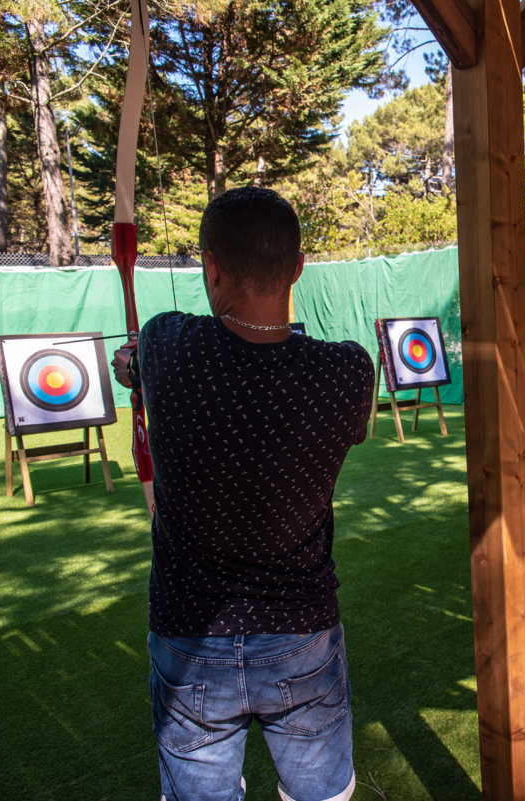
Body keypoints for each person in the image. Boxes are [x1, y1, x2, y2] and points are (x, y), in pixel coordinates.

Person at [112, 187, 374, 801]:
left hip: (191, 638)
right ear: (299, 268)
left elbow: (135, 363)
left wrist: (134, 368)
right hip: (301, 633)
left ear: (211, 268)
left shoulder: (166, 345)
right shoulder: (348, 371)